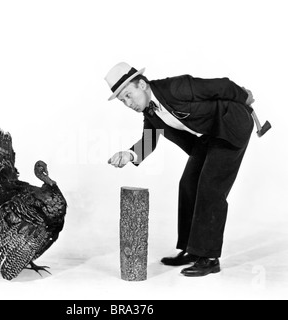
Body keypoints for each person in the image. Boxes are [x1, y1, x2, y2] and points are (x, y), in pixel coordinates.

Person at [105, 62, 255, 277]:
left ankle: (209, 258)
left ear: (142, 85)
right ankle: (192, 250)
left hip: (231, 126)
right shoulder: (151, 113)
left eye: (129, 95)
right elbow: (149, 140)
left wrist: (243, 96)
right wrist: (129, 155)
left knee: (210, 188)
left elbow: (222, 86)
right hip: (211, 134)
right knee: (188, 184)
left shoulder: (177, 88)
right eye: (123, 101)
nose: (128, 103)